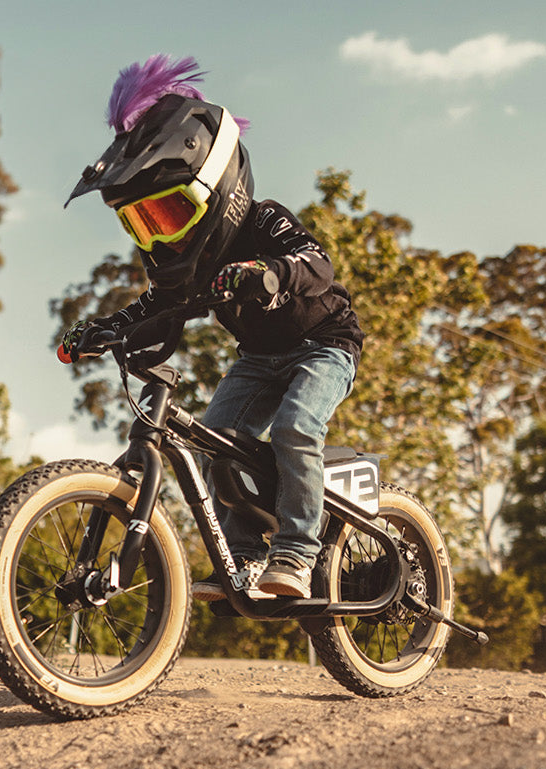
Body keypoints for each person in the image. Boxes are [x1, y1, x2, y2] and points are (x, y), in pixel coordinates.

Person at [60, 55, 363, 600]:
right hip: (260, 359)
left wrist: (267, 274)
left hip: (324, 345)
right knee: (216, 442)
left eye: (169, 215)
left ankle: (296, 552)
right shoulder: (194, 267)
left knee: (295, 426)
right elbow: (154, 308)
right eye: (143, 224)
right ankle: (243, 559)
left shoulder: (262, 218)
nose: (162, 238)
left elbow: (318, 264)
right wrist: (105, 329)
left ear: (216, 187)